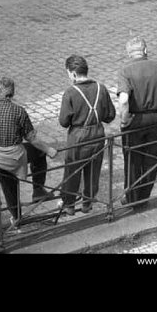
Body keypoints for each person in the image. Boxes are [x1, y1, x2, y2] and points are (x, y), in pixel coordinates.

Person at [0, 77, 58, 224]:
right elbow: (32, 139)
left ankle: (17, 217)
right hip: (17, 156)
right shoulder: (19, 111)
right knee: (39, 153)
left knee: (8, 187)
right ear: (13, 93)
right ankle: (38, 189)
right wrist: (49, 150)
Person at [117, 37, 157, 208]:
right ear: (145, 50)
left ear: (129, 53)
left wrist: (124, 121)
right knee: (151, 160)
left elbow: (123, 100)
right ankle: (144, 198)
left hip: (135, 121)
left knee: (132, 161)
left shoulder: (125, 71)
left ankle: (131, 197)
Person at [58, 55, 116, 215]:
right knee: (93, 169)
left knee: (73, 169)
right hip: (97, 134)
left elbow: (63, 121)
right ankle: (87, 203)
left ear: (73, 73)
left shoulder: (70, 92)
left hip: (78, 136)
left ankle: (69, 204)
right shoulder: (101, 88)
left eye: (68, 73)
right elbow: (110, 115)